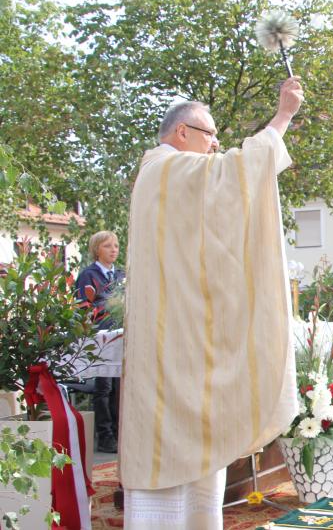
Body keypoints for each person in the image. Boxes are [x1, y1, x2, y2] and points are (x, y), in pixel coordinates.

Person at [120, 77, 304, 529]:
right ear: (181, 133)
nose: (215, 145)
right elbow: (236, 173)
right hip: (174, 355)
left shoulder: (162, 176)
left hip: (177, 342)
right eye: (210, 135)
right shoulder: (166, 169)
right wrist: (282, 116)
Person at [74, 230, 124, 454]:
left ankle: (120, 431)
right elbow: (84, 306)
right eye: (107, 246)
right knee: (104, 386)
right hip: (101, 337)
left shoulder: (122, 275)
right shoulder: (88, 275)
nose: (113, 249)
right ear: (96, 249)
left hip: (122, 335)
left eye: (115, 245)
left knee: (121, 386)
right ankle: (105, 436)